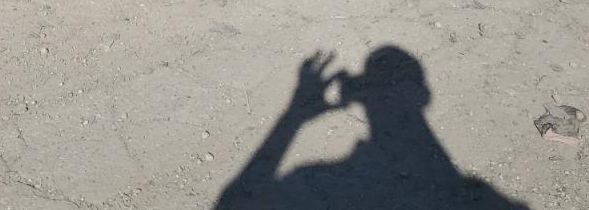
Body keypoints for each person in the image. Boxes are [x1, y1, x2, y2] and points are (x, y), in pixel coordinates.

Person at [215, 47, 530, 210]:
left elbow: (232, 201)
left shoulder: (302, 179)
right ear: (423, 95)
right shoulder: (492, 201)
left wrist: (294, 116)